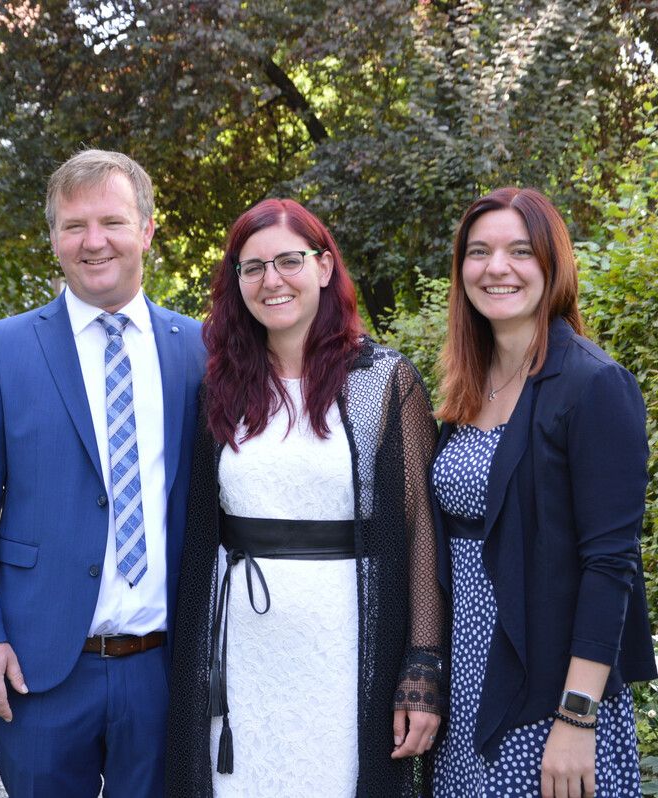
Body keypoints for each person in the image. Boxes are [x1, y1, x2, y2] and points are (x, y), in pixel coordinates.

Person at [0, 149, 205, 797]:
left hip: (164, 667)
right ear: (53, 238)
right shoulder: (3, 347)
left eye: (111, 222)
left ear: (145, 231)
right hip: (40, 666)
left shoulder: (199, 348)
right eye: (73, 225)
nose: (93, 242)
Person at [166, 198, 445, 797]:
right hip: (241, 649)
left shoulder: (383, 382)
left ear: (324, 267)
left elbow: (422, 530)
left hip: (345, 646)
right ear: (236, 282)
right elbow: (200, 530)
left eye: (288, 261)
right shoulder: (221, 385)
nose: (271, 281)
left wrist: (422, 664)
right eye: (252, 267)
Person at [428, 187, 656, 797]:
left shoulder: (593, 385)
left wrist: (577, 717)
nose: (496, 267)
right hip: (470, 676)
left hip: (548, 694)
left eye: (519, 250)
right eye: (478, 252)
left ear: (552, 265)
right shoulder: (469, 388)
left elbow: (610, 565)